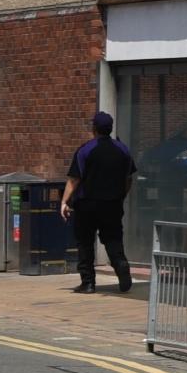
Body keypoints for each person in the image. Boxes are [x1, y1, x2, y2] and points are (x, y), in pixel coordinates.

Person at [64, 111, 137, 295]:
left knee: (85, 242)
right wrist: (121, 196)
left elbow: (74, 180)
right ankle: (120, 264)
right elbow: (129, 179)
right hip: (112, 203)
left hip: (87, 204)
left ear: (94, 128)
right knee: (113, 239)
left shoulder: (86, 150)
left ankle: (88, 283)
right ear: (110, 128)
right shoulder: (123, 150)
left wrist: (64, 202)